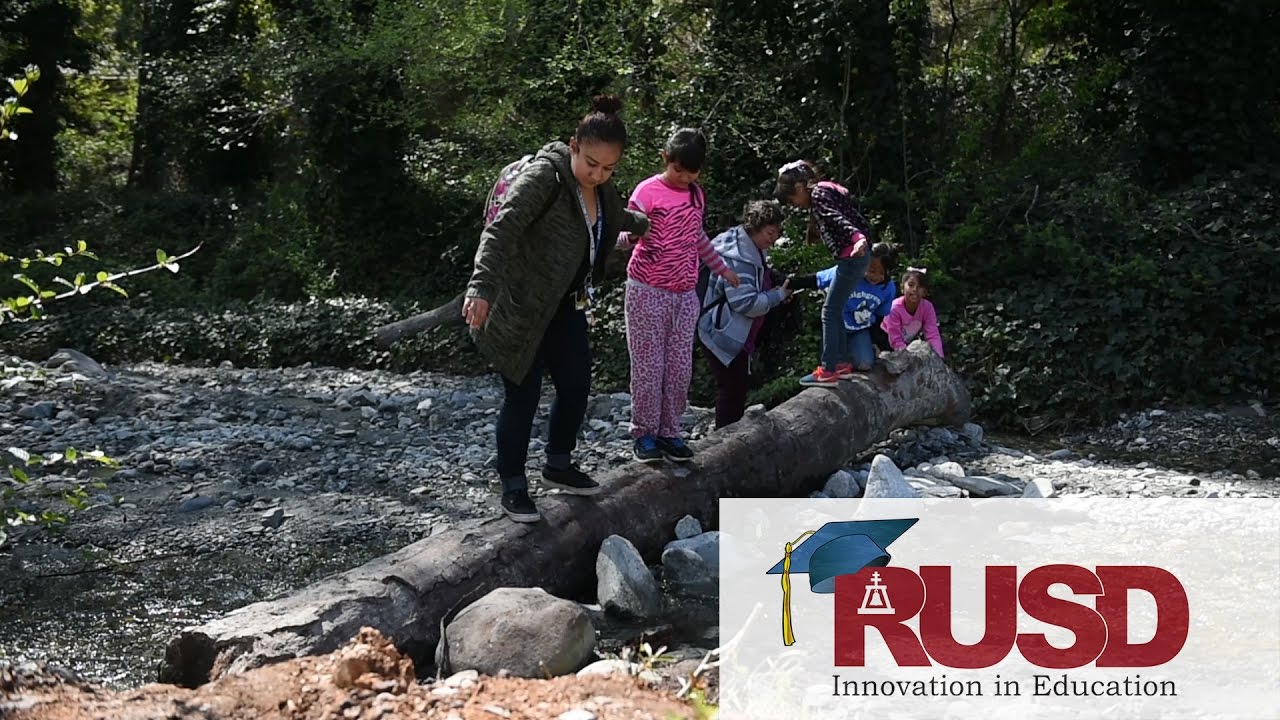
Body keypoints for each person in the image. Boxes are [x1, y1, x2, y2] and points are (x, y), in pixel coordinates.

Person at [462, 95, 649, 523]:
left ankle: (558, 464)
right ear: (573, 145)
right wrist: (481, 287)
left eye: (609, 168)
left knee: (577, 384)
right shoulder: (545, 177)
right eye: (591, 164)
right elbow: (501, 231)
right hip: (521, 306)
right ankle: (512, 485)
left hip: (566, 306)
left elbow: (611, 219)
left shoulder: (602, 189)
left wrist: (645, 225)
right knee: (522, 395)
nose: (599, 174)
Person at [619, 128, 740, 463]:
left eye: (692, 172)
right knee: (648, 366)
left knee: (679, 368)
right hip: (647, 291)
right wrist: (625, 237)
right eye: (678, 170)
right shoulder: (647, 191)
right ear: (665, 159)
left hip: (685, 294)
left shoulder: (695, 195)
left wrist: (722, 269)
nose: (684, 177)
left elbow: (698, 237)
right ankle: (644, 434)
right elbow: (624, 232)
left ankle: (670, 432)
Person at [774, 160, 874, 386]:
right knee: (835, 310)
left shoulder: (818, 196)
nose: (795, 204)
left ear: (799, 189)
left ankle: (828, 369)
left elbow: (838, 218)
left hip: (853, 256)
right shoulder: (825, 188)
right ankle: (840, 364)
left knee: (829, 311)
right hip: (854, 257)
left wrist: (857, 239)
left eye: (792, 200)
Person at [697, 200, 792, 429]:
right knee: (732, 388)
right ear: (755, 227)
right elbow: (746, 303)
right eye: (770, 232)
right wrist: (777, 296)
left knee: (734, 386)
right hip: (722, 330)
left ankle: (728, 437)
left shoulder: (744, 243)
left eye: (777, 232)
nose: (774, 238)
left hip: (724, 328)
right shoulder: (739, 257)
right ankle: (725, 442)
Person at [788, 242, 899, 373]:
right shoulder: (848, 273)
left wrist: (879, 343)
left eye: (882, 273)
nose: (875, 276)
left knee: (865, 364)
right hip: (837, 328)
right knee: (831, 365)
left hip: (860, 329)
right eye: (872, 270)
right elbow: (817, 279)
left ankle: (853, 356)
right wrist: (790, 283)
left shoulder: (888, 288)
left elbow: (880, 317)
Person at [881, 266, 945, 358]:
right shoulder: (894, 308)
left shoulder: (927, 307)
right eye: (911, 285)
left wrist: (938, 357)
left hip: (909, 341)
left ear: (925, 291)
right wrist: (908, 358)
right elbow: (895, 339)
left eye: (919, 287)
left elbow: (932, 334)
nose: (915, 289)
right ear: (902, 288)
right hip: (886, 339)